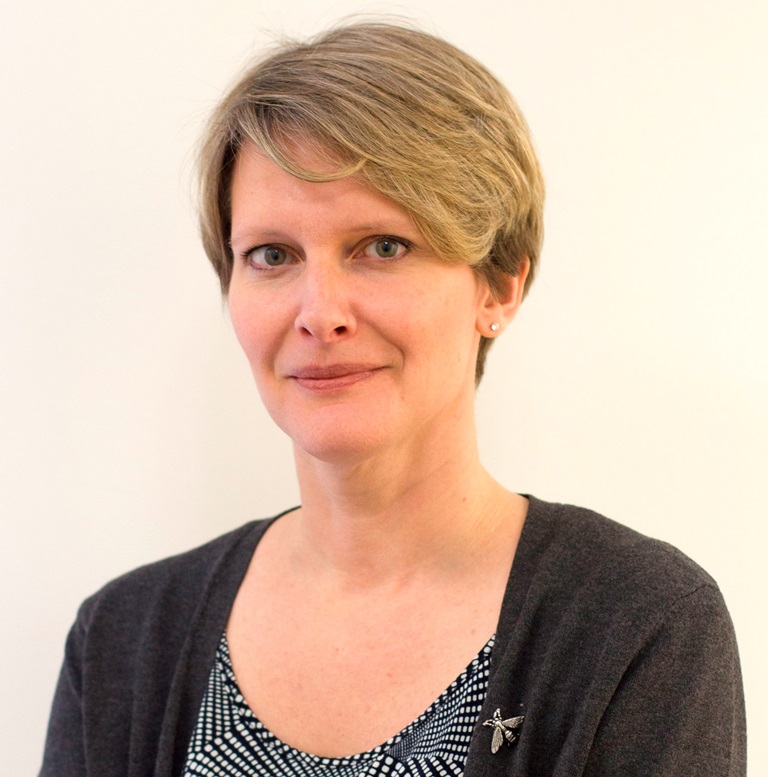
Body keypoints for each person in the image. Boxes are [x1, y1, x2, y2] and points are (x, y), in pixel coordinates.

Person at [40, 21, 746, 777]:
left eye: (382, 247)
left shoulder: (638, 627)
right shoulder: (120, 639)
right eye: (272, 255)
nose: (320, 313)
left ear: (499, 284)